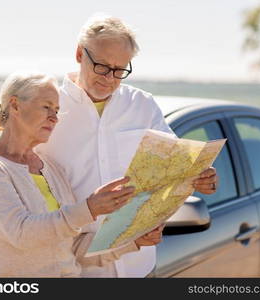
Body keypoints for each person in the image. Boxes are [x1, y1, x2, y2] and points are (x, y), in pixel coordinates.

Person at [35, 15, 219, 277]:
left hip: (140, 266)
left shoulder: (142, 105)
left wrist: (203, 176)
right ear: (79, 54)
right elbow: (12, 175)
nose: (110, 78)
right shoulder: (48, 108)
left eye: (120, 70)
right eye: (102, 66)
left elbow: (178, 163)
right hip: (77, 270)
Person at [0, 72, 160, 277]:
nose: (54, 118)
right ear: (15, 105)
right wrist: (89, 208)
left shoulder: (51, 169)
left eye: (56, 110)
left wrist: (131, 241)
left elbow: (71, 249)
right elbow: (22, 234)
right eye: (46, 107)